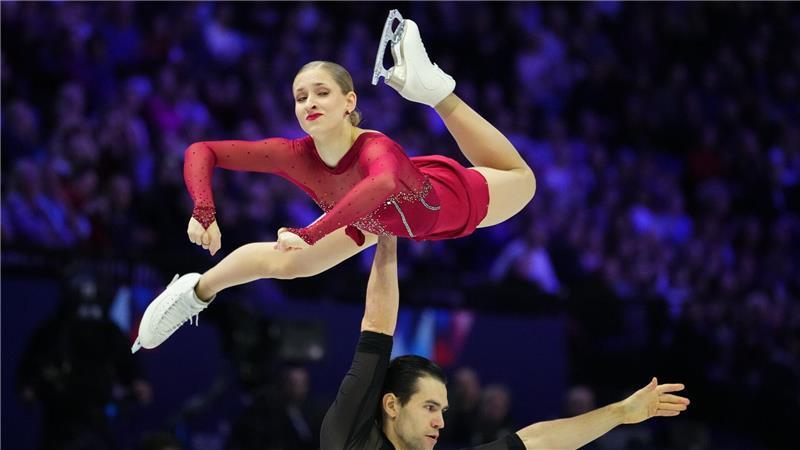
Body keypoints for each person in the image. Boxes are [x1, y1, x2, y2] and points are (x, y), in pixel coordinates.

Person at [133, 13, 536, 352]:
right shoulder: (293, 154)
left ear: (349, 102)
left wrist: (311, 232)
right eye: (300, 96)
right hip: (373, 218)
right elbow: (202, 151)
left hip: (444, 200)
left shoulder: (377, 149)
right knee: (290, 264)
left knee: (523, 181)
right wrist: (203, 209)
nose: (309, 102)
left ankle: (436, 92)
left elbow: (382, 185)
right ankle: (194, 292)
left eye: (321, 93)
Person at [321, 235, 690, 450]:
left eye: (443, 411)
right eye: (430, 407)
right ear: (391, 404)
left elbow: (536, 442)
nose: (440, 423)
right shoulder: (348, 435)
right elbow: (378, 326)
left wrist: (621, 413)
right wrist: (388, 236)